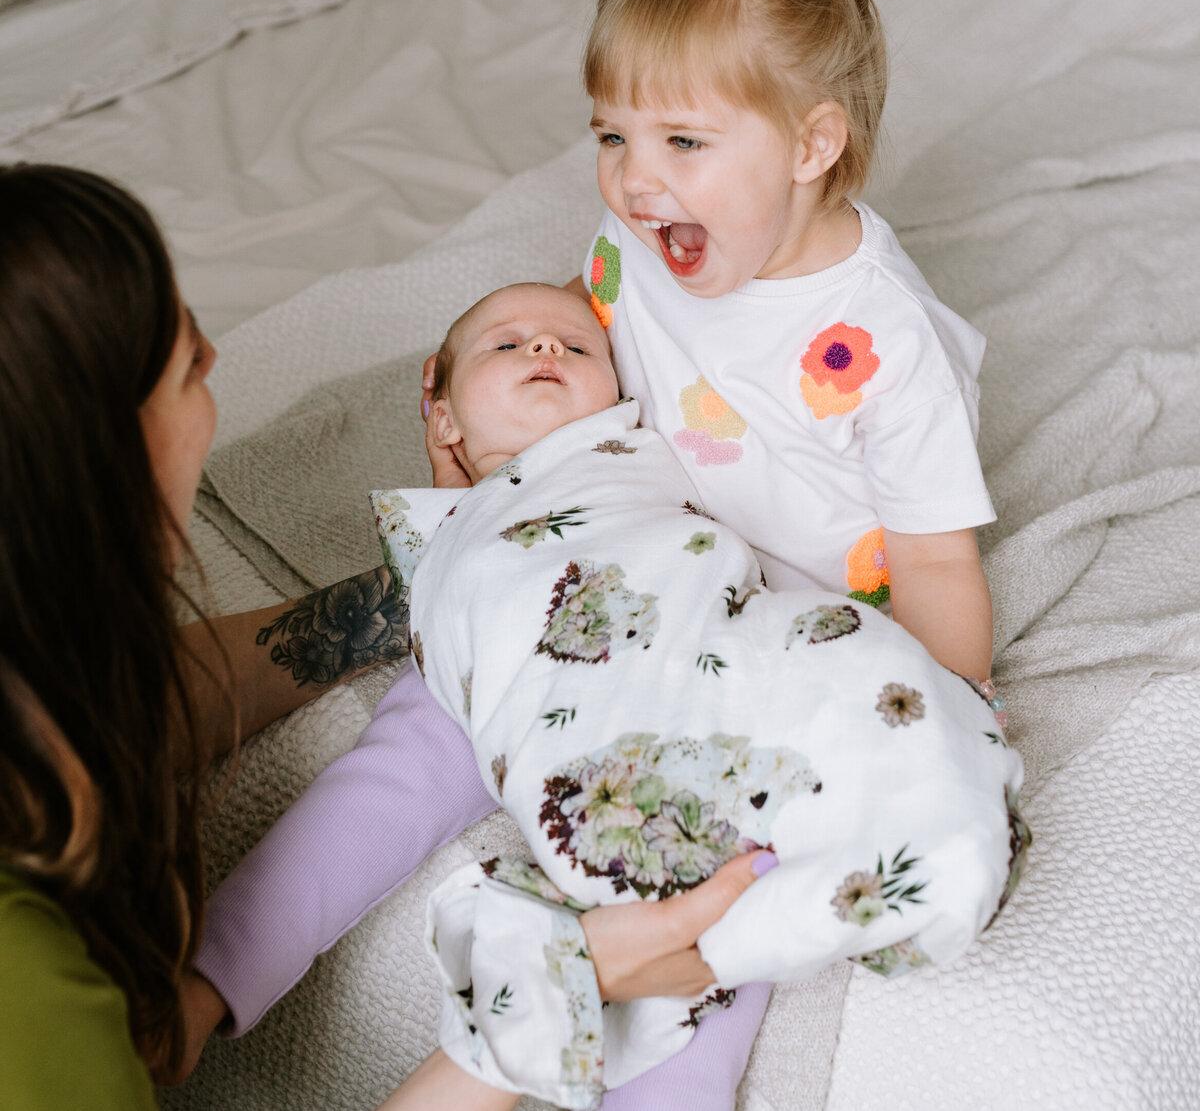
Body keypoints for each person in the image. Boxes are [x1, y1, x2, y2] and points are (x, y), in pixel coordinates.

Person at [190, 0, 1003, 1103]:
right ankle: (208, 980)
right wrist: (504, 416)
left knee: (701, 935)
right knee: (418, 739)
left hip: (763, 642)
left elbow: (936, 564)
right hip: (619, 566)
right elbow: (594, 322)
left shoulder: (880, 342)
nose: (634, 175)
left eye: (681, 137)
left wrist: (949, 723)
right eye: (613, 133)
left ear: (812, 144)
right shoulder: (642, 235)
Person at [195, 281, 1024, 1110]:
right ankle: (204, 984)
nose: (546, 349)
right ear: (441, 413)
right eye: (507, 345)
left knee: (709, 935)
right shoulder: (438, 532)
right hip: (483, 666)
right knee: (367, 799)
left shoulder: (644, 450)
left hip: (672, 675)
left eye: (575, 346)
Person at [0, 164, 412, 1107]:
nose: (216, 353)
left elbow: (109, 702)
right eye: (184, 361)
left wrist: (407, 597)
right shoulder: (26, 994)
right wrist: (515, 1034)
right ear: (96, 470)